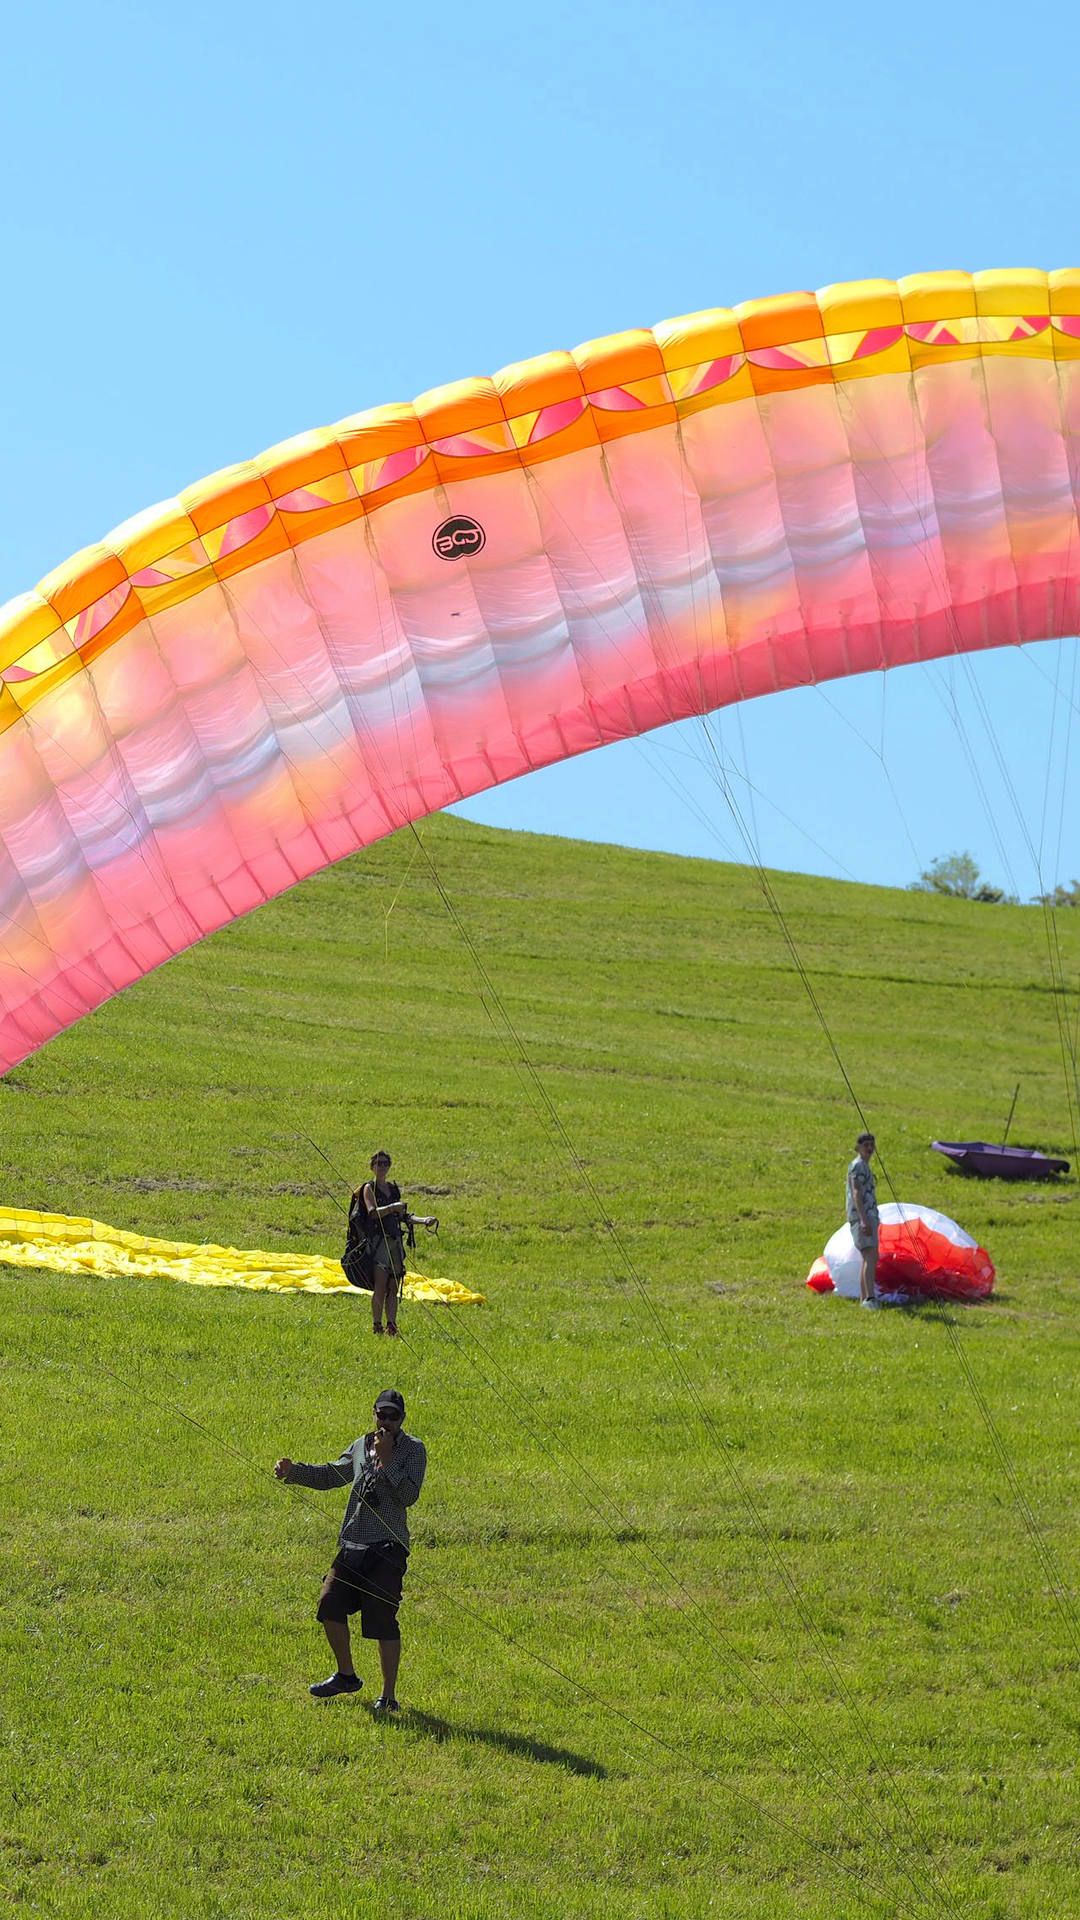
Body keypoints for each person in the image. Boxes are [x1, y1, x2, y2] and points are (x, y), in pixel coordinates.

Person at [274, 1388, 426, 1712]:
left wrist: (387, 1460)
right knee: (329, 1603)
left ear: (402, 1419)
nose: (386, 1422)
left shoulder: (414, 1450)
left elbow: (409, 1496)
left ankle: (388, 1697)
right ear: (374, 1413)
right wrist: (294, 1472)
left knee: (382, 1618)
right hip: (353, 1542)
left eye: (393, 1416)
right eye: (381, 1415)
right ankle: (346, 1675)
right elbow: (332, 1474)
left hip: (388, 1547)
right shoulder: (361, 1445)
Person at [360, 1151, 409, 1336]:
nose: (381, 1167)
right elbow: (372, 1212)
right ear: (372, 1166)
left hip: (395, 1241)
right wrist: (392, 1208)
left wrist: (424, 1220)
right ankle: (377, 1325)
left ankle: (392, 1325)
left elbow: (403, 1216)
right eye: (378, 1163)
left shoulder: (393, 1189)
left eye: (385, 1163)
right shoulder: (369, 1188)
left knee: (393, 1286)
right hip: (378, 1242)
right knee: (380, 1285)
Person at [847, 1130, 880, 1307]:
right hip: (864, 1216)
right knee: (870, 1255)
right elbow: (856, 1192)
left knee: (870, 1256)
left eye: (872, 1145)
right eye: (866, 1145)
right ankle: (870, 1298)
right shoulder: (858, 1166)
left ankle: (864, 1299)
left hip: (869, 1215)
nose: (869, 1148)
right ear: (858, 1148)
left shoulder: (864, 1166)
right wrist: (863, 1219)